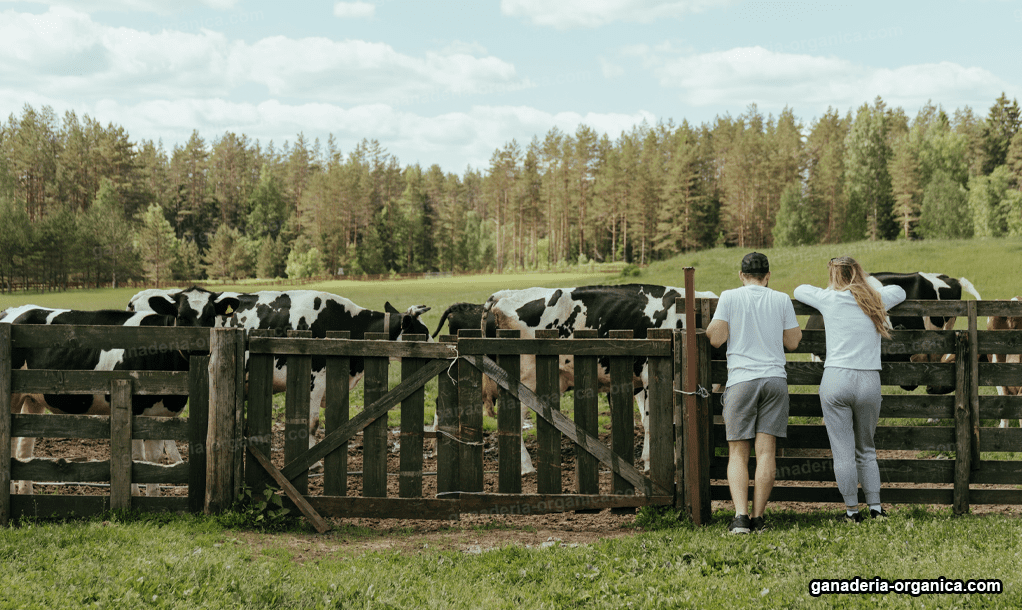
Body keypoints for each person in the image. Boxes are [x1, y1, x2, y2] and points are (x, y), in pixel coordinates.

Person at [793, 256, 906, 523]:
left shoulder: (828, 298)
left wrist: (832, 288)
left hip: (836, 379)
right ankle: (876, 509)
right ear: (858, 273)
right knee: (866, 449)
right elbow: (900, 290)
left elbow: (799, 290)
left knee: (842, 451)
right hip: (868, 380)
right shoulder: (876, 299)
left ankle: (852, 512)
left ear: (833, 275)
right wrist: (866, 286)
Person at [706, 252, 802, 534]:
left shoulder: (730, 296)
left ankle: (740, 518)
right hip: (774, 380)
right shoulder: (781, 299)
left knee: (737, 452)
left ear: (741, 275)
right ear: (768, 276)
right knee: (766, 452)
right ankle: (759, 517)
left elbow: (717, 338)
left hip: (742, 381)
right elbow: (794, 341)